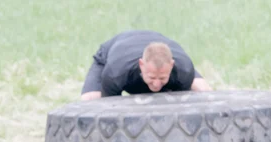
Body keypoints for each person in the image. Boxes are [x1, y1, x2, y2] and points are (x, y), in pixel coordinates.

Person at [81, 30, 212, 101]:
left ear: (172, 66)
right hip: (110, 55)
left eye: (162, 78)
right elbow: (107, 108)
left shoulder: (184, 69)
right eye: (151, 77)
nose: (156, 84)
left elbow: (181, 105)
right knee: (90, 101)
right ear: (141, 64)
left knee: (204, 91)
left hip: (158, 44)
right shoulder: (116, 73)